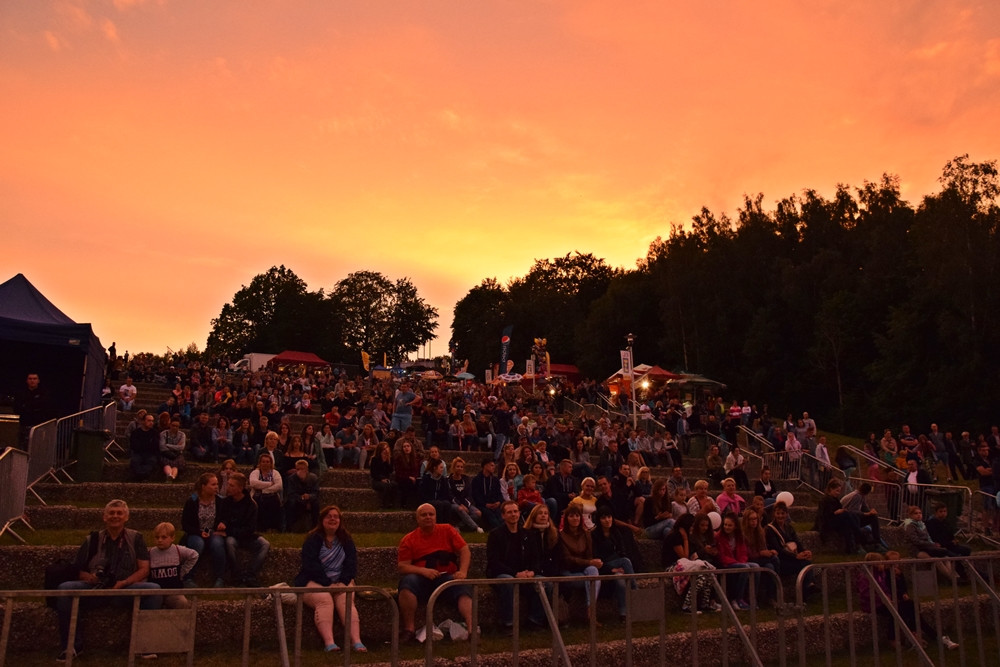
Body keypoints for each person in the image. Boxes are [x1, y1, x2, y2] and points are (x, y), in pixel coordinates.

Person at [55, 500, 162, 660]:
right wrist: (90, 578)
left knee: (154, 590)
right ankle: (71, 647)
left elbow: (144, 569)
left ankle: (143, 645)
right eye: (111, 513)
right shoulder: (92, 539)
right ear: (104, 517)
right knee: (64, 589)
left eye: (119, 513)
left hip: (124, 589)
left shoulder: (136, 538)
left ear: (126, 517)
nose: (115, 516)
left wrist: (124, 582)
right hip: (94, 589)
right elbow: (75, 569)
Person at [396, 503, 475, 644]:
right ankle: (409, 630)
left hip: (446, 577)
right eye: (424, 515)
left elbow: (464, 550)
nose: (428, 517)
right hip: (421, 579)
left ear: (436, 517)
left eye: (431, 514)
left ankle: (471, 629)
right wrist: (423, 571)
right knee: (407, 584)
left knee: (463, 587)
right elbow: (402, 566)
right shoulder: (408, 539)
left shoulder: (447, 530)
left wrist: (462, 571)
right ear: (417, 518)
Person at [294, 506, 367, 653]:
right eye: (329, 516)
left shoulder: (346, 540)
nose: (333, 519)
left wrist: (342, 581)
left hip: (341, 580)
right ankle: (329, 643)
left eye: (336, 517)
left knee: (345, 601)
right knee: (324, 599)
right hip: (314, 580)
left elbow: (351, 564)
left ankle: (356, 642)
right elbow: (310, 564)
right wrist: (327, 583)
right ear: (322, 520)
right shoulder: (313, 539)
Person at [856, 552, 958, 651]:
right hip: (874, 605)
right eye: (880, 562)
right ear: (873, 563)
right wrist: (884, 598)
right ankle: (895, 638)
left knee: (911, 605)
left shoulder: (881, 574)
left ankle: (927, 636)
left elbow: (888, 589)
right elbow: (867, 593)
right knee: (898, 610)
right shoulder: (865, 576)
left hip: (886, 601)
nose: (883, 564)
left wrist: (892, 592)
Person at [486, 500, 546, 631]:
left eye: (515, 511)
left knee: (546, 583)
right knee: (508, 582)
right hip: (503, 573)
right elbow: (494, 562)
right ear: (503, 515)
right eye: (509, 512)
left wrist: (532, 572)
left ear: (519, 513)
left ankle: (535, 620)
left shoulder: (528, 534)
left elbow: (537, 559)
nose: (513, 514)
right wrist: (515, 574)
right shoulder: (495, 535)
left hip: (525, 573)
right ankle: (507, 623)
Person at [218, 472, 271, 586]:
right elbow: (222, 519)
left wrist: (228, 531)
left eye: (232, 485)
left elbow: (250, 529)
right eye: (228, 484)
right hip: (233, 536)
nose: (228, 488)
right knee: (230, 543)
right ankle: (236, 575)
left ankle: (250, 574)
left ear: (240, 488)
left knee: (265, 544)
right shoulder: (226, 502)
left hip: (246, 536)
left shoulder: (251, 505)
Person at [661, 513, 718, 613]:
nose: (692, 528)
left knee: (708, 574)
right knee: (700, 576)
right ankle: (687, 605)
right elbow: (684, 556)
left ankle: (705, 603)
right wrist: (685, 539)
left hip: (683, 564)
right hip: (672, 566)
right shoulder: (675, 536)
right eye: (691, 525)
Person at [592, 505, 640, 621]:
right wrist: (611, 569)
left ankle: (623, 613)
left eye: (609, 517)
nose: (607, 520)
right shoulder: (594, 535)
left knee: (620, 580)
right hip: (603, 567)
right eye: (603, 518)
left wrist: (619, 569)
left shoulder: (616, 533)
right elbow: (596, 558)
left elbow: (622, 551)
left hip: (618, 565)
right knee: (625, 561)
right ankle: (637, 593)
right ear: (599, 520)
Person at [180, 472, 227, 587]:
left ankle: (220, 577)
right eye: (213, 484)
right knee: (197, 544)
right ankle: (187, 577)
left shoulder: (221, 501)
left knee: (217, 544)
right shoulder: (192, 501)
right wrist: (199, 533)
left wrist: (223, 524)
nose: (216, 487)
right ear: (203, 486)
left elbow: (226, 517)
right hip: (196, 532)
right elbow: (185, 524)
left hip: (213, 531)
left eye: (217, 484)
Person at [557, 505, 601, 622]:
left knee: (593, 571)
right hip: (568, 571)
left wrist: (592, 563)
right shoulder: (560, 535)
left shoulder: (586, 534)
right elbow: (567, 559)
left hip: (583, 569)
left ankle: (590, 608)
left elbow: (589, 555)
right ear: (566, 519)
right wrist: (589, 562)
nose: (575, 518)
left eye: (577, 516)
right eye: (571, 516)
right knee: (592, 580)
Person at [766, 501, 815, 593]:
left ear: (786, 514)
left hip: (791, 556)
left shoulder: (789, 528)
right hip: (781, 560)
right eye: (778, 513)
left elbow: (797, 542)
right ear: (774, 514)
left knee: (808, 562)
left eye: (783, 513)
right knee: (804, 564)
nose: (780, 516)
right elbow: (778, 549)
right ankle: (806, 589)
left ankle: (808, 587)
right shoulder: (770, 529)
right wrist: (796, 556)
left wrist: (804, 551)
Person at [148, 522, 198, 608]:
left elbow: (194, 555)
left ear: (172, 538)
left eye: (164, 537)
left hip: (173, 592)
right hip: (155, 593)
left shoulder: (178, 550)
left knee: (182, 602)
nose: (160, 540)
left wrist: (182, 572)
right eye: (157, 537)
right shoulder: (150, 552)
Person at [902, 505, 956, 579]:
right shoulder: (910, 526)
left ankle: (952, 576)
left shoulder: (922, 525)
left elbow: (928, 537)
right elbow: (916, 541)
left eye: (920, 513)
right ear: (911, 515)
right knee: (936, 560)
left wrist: (933, 544)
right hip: (917, 549)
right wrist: (930, 544)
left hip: (927, 547)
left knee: (945, 557)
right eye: (916, 513)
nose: (918, 515)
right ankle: (951, 577)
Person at [815, 479, 865, 554]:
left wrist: (841, 511)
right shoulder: (824, 500)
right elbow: (824, 515)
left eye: (839, 491)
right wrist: (836, 512)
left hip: (838, 520)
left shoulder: (835, 500)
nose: (838, 493)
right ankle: (858, 533)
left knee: (848, 523)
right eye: (836, 491)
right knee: (847, 516)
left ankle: (850, 549)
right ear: (831, 489)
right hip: (828, 522)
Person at [741, 508, 779, 605]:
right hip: (748, 560)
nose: (754, 522)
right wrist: (761, 553)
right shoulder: (743, 534)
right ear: (746, 520)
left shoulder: (760, 532)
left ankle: (770, 596)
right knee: (774, 560)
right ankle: (774, 592)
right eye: (751, 519)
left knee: (770, 566)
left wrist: (769, 552)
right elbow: (747, 554)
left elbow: (763, 548)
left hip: (759, 558)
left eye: (755, 519)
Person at [925, 502, 971, 580]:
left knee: (966, 550)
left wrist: (954, 540)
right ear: (936, 512)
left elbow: (950, 535)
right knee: (955, 556)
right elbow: (935, 538)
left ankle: (964, 572)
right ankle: (962, 575)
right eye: (941, 511)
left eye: (945, 511)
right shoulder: (931, 523)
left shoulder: (946, 522)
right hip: (941, 546)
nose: (943, 513)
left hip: (950, 544)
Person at [715, 512, 752, 610]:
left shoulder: (739, 536)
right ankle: (737, 599)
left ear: (735, 526)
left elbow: (743, 552)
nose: (727, 527)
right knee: (745, 568)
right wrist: (737, 562)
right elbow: (722, 556)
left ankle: (751, 598)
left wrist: (741, 561)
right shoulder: (719, 537)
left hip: (737, 562)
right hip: (726, 563)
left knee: (755, 566)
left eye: (730, 525)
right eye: (725, 524)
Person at [249, 452, 284, 532]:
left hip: (271, 496)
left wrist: (264, 490)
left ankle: (272, 528)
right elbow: (253, 483)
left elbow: (279, 485)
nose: (265, 464)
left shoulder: (275, 473)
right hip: (257, 496)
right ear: (260, 463)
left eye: (267, 462)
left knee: (273, 501)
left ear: (271, 463)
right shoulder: (255, 472)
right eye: (263, 462)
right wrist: (270, 484)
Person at [13, 372, 50, 450]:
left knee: (37, 447)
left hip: (39, 425)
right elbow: (17, 408)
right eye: (30, 379)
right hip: (24, 425)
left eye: (34, 379)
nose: (32, 381)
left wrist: (30, 407)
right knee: (23, 447)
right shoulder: (21, 394)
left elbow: (45, 408)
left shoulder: (43, 393)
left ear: (38, 380)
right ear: (27, 380)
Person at [447, 457, 484, 533]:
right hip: (454, 504)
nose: (459, 468)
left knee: (478, 513)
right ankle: (475, 528)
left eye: (461, 467)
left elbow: (469, 494)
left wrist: (465, 505)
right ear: (453, 467)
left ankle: (458, 526)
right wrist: (460, 505)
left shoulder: (466, 479)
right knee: (459, 509)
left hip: (465, 503)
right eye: (457, 466)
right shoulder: (448, 480)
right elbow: (450, 496)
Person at [470, 456, 504, 530]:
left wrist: (498, 502)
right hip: (483, 505)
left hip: (495, 504)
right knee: (490, 515)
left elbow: (499, 493)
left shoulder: (495, 480)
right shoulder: (476, 480)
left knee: (500, 515)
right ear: (485, 466)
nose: (493, 467)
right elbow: (476, 495)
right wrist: (485, 504)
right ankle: (498, 530)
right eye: (491, 465)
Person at [285, 460, 321, 531]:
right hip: (297, 499)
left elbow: (316, 492)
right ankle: (290, 528)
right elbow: (291, 493)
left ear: (307, 469)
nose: (300, 471)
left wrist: (309, 497)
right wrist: (303, 499)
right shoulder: (291, 478)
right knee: (290, 503)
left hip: (310, 499)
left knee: (316, 504)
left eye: (302, 469)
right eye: (298, 469)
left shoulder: (313, 478)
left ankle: (315, 528)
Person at [129, 412, 160, 481]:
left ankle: (140, 477)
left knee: (151, 461)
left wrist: (144, 445)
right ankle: (143, 477)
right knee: (135, 461)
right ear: (143, 421)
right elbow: (134, 446)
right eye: (149, 420)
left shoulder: (154, 433)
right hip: (138, 453)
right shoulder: (136, 432)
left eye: (152, 421)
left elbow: (155, 446)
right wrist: (147, 445)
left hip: (150, 454)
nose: (151, 423)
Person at [394, 440, 421, 509]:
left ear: (411, 448)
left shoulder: (416, 458)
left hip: (413, 478)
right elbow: (398, 472)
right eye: (404, 447)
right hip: (402, 478)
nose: (406, 448)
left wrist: (414, 477)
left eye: (408, 446)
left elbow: (417, 471)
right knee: (407, 483)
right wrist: (409, 477)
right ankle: (404, 504)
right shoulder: (398, 458)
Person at [370, 442, 397, 509]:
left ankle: (392, 503)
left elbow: (390, 471)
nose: (386, 450)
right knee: (385, 486)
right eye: (384, 449)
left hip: (387, 479)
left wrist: (387, 461)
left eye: (386, 448)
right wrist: (381, 479)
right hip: (377, 480)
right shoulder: (375, 459)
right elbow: (373, 474)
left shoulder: (390, 459)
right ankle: (384, 504)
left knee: (394, 485)